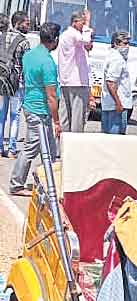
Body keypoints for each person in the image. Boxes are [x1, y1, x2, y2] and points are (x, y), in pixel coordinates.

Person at [9, 22, 60, 196]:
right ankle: (16, 184)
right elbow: (51, 96)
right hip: (40, 110)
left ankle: (51, 181)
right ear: (54, 40)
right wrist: (57, 121)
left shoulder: (29, 55)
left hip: (30, 105)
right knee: (32, 148)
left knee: (51, 150)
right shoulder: (47, 62)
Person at [56, 9, 93, 134]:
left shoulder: (65, 35)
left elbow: (86, 45)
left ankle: (61, 147)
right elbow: (86, 40)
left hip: (66, 81)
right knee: (77, 119)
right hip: (77, 82)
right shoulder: (73, 34)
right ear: (75, 22)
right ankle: (74, 147)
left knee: (65, 117)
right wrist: (87, 24)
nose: (83, 26)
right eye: (81, 23)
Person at [0, 12, 31, 159]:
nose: (28, 25)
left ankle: (0, 148)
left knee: (1, 116)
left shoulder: (2, 36)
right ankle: (12, 149)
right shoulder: (24, 42)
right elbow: (27, 65)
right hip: (17, 84)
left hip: (2, 82)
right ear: (18, 23)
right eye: (26, 23)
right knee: (15, 117)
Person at [99, 32, 134, 135]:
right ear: (116, 43)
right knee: (115, 140)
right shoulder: (117, 59)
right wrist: (118, 102)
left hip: (110, 104)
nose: (127, 47)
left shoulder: (112, 56)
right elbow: (110, 82)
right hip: (116, 106)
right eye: (125, 43)